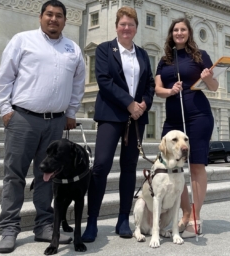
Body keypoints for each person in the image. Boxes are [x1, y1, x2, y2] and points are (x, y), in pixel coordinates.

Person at [0, 0, 85, 253]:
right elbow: (5, 76)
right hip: (23, 118)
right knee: (14, 175)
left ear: (65, 21)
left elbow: (78, 82)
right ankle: (10, 228)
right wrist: (6, 110)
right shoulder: (22, 40)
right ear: (41, 17)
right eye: (49, 14)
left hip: (56, 121)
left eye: (59, 15)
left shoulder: (72, 49)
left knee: (48, 177)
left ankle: (45, 225)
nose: (54, 19)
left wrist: (70, 112)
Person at [81, 6, 155, 242]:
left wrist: (143, 103)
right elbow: (104, 81)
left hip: (136, 118)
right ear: (116, 26)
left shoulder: (142, 54)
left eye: (131, 25)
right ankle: (92, 221)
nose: (126, 28)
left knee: (129, 166)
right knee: (101, 165)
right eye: (122, 24)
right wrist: (129, 103)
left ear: (135, 28)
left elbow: (150, 84)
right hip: (111, 114)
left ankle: (123, 218)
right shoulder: (105, 49)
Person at [155, 18, 219, 238]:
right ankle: (183, 214)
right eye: (175, 29)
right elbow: (157, 89)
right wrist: (171, 91)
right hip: (173, 119)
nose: (179, 33)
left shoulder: (200, 56)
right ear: (171, 33)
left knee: (196, 166)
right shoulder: (165, 60)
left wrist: (208, 77)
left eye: (183, 29)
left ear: (189, 33)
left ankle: (194, 217)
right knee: (174, 167)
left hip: (198, 115)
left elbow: (214, 87)